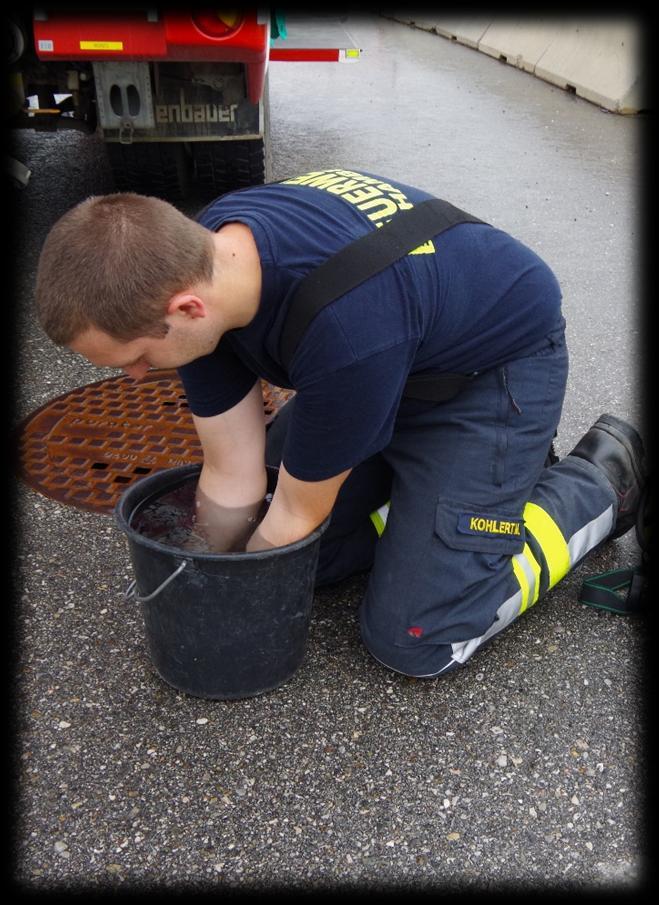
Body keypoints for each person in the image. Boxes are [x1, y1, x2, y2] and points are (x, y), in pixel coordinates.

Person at [35, 168, 645, 678]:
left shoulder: (346, 328)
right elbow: (230, 474)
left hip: (492, 376)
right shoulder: (202, 260)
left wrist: (236, 608)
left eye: (138, 358)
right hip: (393, 361)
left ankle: (594, 481)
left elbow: (295, 516)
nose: (138, 377)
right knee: (309, 568)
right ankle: (450, 500)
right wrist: (203, 566)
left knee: (416, 637)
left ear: (186, 309)